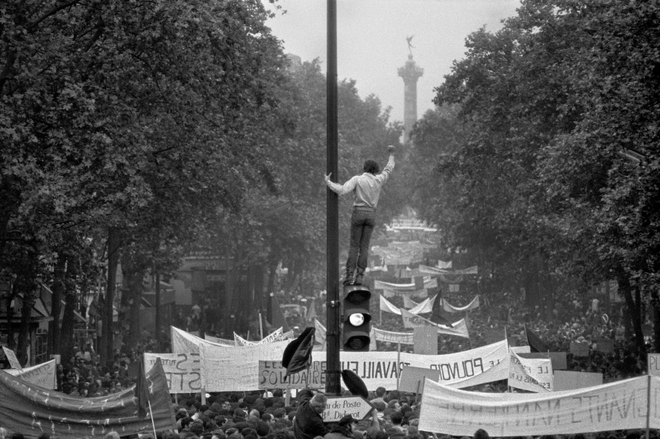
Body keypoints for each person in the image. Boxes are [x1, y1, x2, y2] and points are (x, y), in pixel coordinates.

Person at [325, 145, 395, 286]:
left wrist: (328, 182)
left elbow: (342, 190)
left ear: (364, 168)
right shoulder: (379, 180)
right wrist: (392, 154)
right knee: (364, 247)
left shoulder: (357, 179)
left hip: (358, 213)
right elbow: (389, 168)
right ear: (375, 171)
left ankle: (349, 275)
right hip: (371, 215)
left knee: (354, 246)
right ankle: (360, 276)